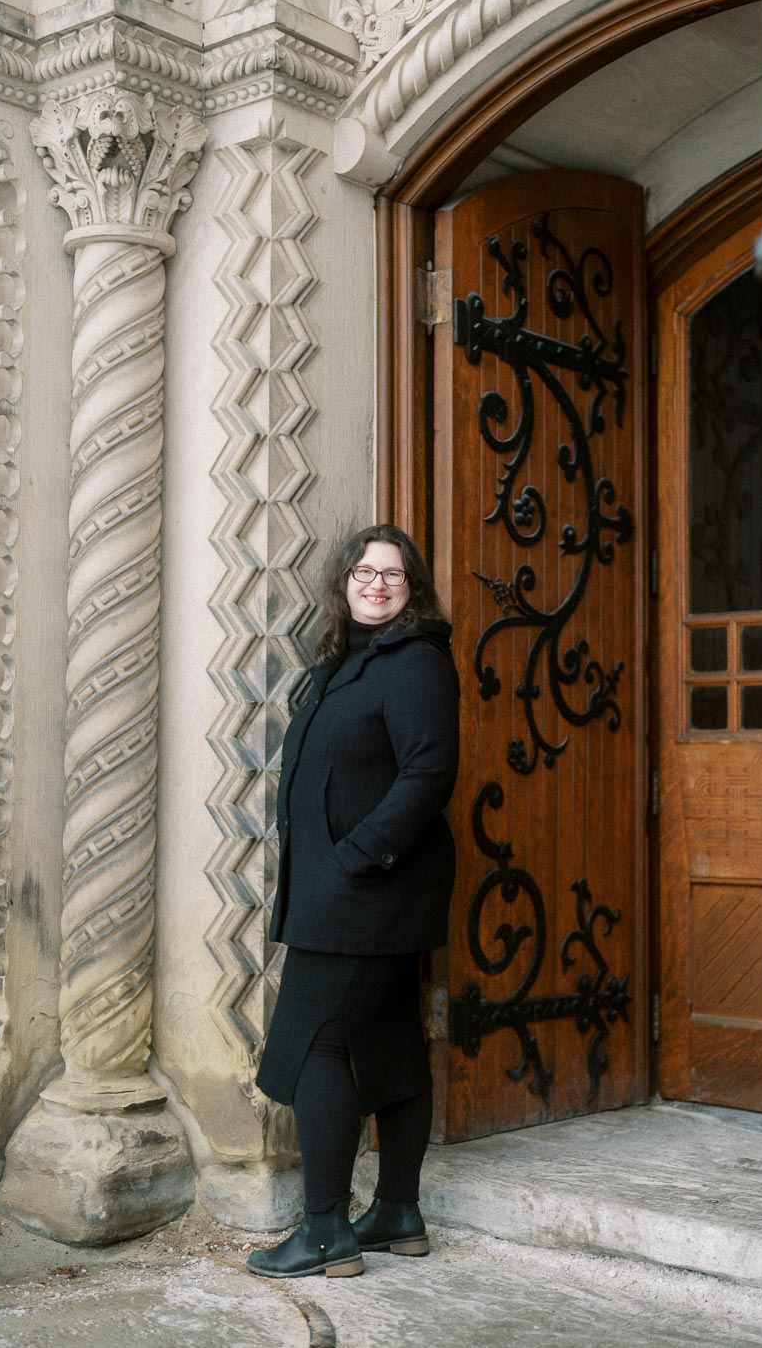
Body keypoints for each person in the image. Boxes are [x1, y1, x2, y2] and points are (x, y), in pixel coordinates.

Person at [246, 523, 460, 1280]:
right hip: (346, 888)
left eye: (393, 575)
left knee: (314, 1045)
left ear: (413, 587)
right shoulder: (346, 663)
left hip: (370, 888)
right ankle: (398, 1212)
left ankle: (326, 1229)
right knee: (391, 1041)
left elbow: (429, 771)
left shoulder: (415, 661)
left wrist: (358, 855)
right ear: (343, 583)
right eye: (363, 572)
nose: (376, 584)